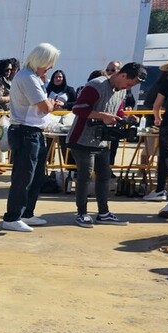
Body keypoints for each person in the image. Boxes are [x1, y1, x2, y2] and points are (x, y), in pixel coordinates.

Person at [67, 62, 144, 227]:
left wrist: (127, 118)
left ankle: (103, 213)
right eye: (129, 83)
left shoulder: (122, 90)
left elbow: (118, 111)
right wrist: (102, 115)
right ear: (123, 75)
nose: (128, 87)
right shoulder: (96, 85)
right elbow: (78, 109)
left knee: (104, 176)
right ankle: (82, 213)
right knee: (85, 177)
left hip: (103, 141)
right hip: (82, 139)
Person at [1, 43, 64, 233]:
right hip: (25, 132)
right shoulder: (27, 77)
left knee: (36, 176)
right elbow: (44, 107)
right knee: (23, 176)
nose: (51, 67)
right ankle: (12, 217)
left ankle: (26, 213)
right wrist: (52, 103)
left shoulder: (32, 77)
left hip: (33, 131)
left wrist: (49, 102)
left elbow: (43, 105)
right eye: (49, 63)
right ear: (41, 61)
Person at [149, 59, 168, 205]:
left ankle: (160, 189)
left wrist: (157, 119)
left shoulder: (167, 82)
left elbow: (156, 105)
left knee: (165, 155)